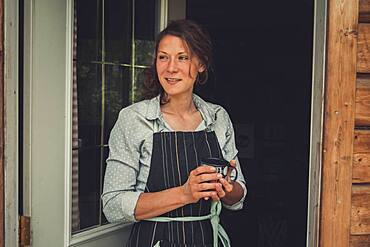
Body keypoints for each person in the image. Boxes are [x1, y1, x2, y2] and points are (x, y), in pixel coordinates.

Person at [101, 19, 247, 247]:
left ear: (201, 64)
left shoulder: (218, 118)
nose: (170, 68)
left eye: (182, 57)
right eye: (163, 57)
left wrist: (226, 190)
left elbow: (239, 196)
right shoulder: (134, 119)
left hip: (205, 240)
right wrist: (185, 193)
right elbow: (113, 204)